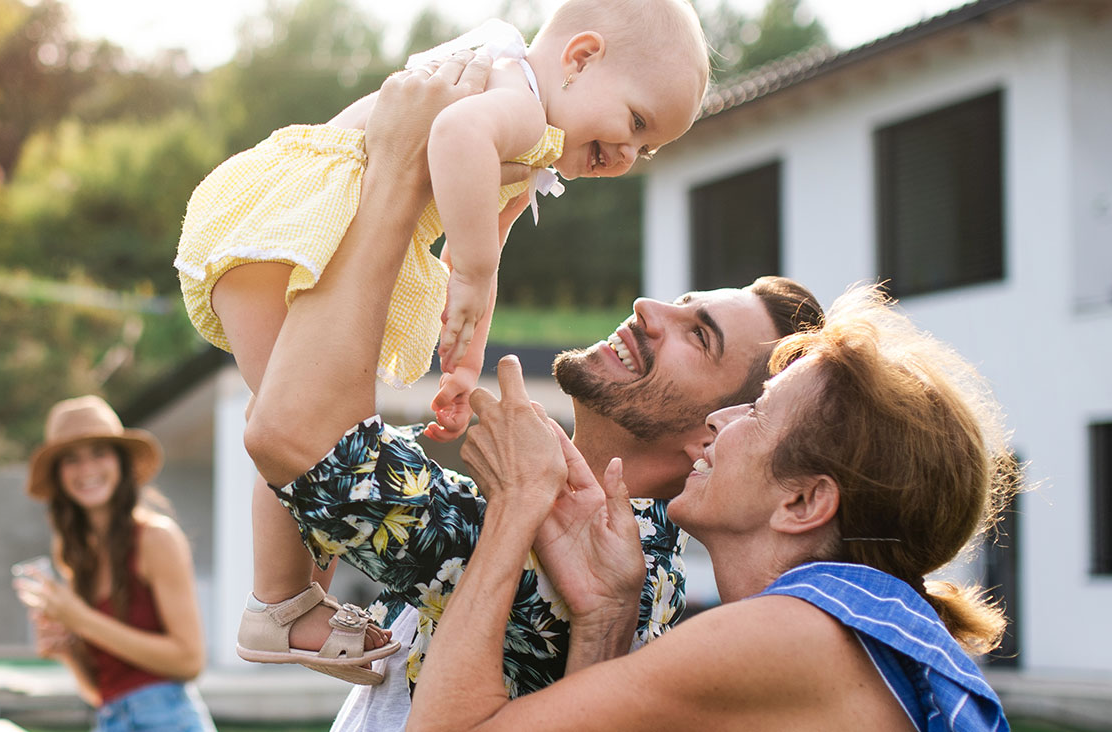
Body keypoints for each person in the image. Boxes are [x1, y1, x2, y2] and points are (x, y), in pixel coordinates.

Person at [231, 51, 826, 730]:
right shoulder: (580, 520)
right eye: (680, 300)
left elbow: (296, 435)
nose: (647, 308)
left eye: (699, 335)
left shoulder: (583, 551)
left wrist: (394, 169)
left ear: (713, 431)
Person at [179, 0, 717, 685]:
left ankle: (286, 603)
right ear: (580, 59)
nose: (628, 155)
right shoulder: (520, 98)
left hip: (330, 234)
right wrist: (471, 267)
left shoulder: (534, 138)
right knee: (291, 415)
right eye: (635, 122)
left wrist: (462, 361)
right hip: (298, 223)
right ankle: (280, 604)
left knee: (299, 413)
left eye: (647, 149)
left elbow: (484, 266)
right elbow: (458, 137)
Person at [407, 287, 1015, 731]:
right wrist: (606, 618)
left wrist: (515, 505)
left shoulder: (790, 636)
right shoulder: (837, 634)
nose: (721, 421)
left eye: (757, 412)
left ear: (802, 501)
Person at [12, 395, 214, 732]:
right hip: (109, 720)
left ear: (120, 461)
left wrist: (80, 619)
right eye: (72, 460)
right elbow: (99, 690)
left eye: (99, 453)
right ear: (59, 473)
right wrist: (67, 650)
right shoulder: (73, 552)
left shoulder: (155, 538)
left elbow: (190, 661)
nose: (87, 470)